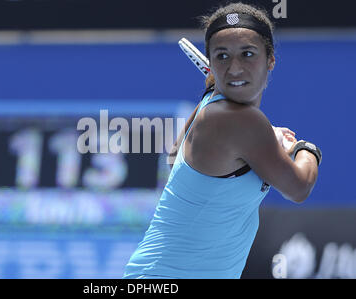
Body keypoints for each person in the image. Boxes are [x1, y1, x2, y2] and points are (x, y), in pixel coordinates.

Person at [123, 2, 321, 279]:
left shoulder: (211, 107)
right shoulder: (240, 120)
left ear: (270, 59)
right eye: (223, 56)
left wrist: (263, 139)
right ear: (212, 63)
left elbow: (174, 158)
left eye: (247, 54)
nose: (235, 68)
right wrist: (306, 149)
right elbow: (299, 187)